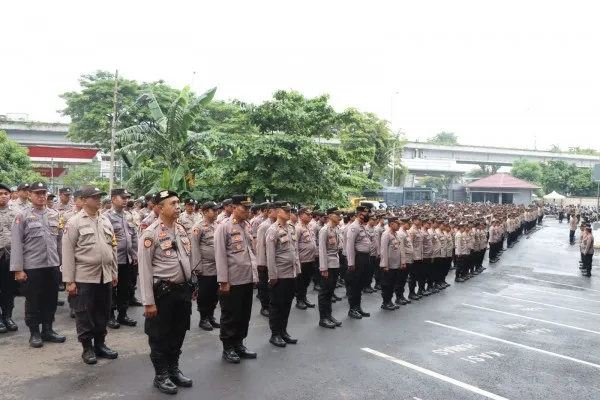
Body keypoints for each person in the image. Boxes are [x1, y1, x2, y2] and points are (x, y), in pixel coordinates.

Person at [138, 190, 194, 394]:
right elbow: (144, 270)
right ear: (160, 208)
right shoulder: (150, 233)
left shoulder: (180, 229)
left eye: (178, 202)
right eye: (173, 203)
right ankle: (161, 375)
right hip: (163, 293)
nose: (178, 206)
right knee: (159, 336)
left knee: (178, 333)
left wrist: (191, 283)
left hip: (182, 291)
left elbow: (186, 259)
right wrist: (148, 302)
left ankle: (173, 369)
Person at [62, 186, 119, 365]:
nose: (99, 199)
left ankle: (100, 344)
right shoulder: (74, 222)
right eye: (95, 197)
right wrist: (69, 281)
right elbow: (68, 252)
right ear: (84, 200)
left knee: (103, 311)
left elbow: (113, 248)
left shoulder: (106, 221)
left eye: (100, 196)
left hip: (105, 275)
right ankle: (87, 347)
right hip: (84, 276)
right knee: (84, 314)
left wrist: (114, 272)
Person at [10, 181, 65, 348]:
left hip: (52, 265)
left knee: (51, 299)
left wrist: (63, 265)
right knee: (33, 300)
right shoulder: (22, 215)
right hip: (32, 267)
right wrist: (18, 269)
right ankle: (34, 332)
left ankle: (48, 329)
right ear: (30, 195)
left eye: (44, 193)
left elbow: (60, 242)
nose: (41, 196)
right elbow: (17, 244)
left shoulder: (55, 214)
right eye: (37, 193)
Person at [214, 194, 258, 364]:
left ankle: (239, 344)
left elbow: (250, 251)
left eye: (249, 208)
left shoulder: (246, 226)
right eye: (244, 208)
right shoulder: (224, 227)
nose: (248, 211)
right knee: (231, 315)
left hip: (247, 278)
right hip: (232, 280)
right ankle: (228, 347)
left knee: (244, 314)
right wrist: (223, 281)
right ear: (234, 207)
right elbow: (220, 256)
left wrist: (254, 275)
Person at [265, 201, 300, 347]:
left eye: (290, 210)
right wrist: (272, 276)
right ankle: (275, 334)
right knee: (277, 305)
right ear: (278, 212)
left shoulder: (291, 228)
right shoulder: (272, 230)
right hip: (280, 274)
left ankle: (283, 331)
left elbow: (294, 251)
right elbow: (270, 256)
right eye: (286, 210)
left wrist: (297, 270)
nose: (289, 213)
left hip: (291, 273)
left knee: (287, 304)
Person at [104, 188, 138, 329]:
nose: (126, 200)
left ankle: (122, 315)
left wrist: (135, 254)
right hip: (114, 259)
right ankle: (110, 316)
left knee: (125, 288)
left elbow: (134, 235)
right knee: (111, 289)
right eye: (122, 197)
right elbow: (105, 239)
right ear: (113, 199)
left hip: (127, 258)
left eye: (127, 197)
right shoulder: (106, 217)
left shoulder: (129, 216)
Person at [191, 201, 221, 331]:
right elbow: (194, 248)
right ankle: (204, 318)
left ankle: (211, 316)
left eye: (216, 210)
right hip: (205, 267)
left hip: (218, 267)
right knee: (204, 294)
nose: (216, 212)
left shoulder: (218, 225)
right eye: (213, 210)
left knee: (215, 294)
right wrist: (197, 267)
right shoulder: (198, 227)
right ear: (205, 211)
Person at [317, 207, 343, 329]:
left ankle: (329, 315)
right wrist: (324, 268)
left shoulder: (335, 229)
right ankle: (323, 318)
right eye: (337, 215)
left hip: (335, 263)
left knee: (330, 292)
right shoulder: (324, 230)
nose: (339, 217)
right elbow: (322, 250)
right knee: (324, 292)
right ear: (331, 216)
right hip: (328, 265)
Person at [345, 205, 371, 319]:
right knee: (354, 284)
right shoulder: (354, 227)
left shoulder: (361, 226)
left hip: (364, 258)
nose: (368, 215)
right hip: (357, 258)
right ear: (360, 214)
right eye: (366, 214)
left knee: (360, 284)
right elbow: (350, 246)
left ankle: (358, 307)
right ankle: (352, 309)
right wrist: (351, 263)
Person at [0, 183, 17, 333]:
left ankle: (7, 316)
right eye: (0, 194)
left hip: (9, 256)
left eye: (6, 193)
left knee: (8, 289)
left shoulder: (16, 213)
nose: (3, 196)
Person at [255, 203, 277, 317]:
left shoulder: (278, 225)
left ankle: (271, 305)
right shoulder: (264, 226)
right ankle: (264, 307)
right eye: (276, 211)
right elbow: (260, 245)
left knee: (273, 286)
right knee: (264, 285)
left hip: (274, 261)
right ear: (270, 212)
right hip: (265, 261)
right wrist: (261, 263)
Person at [379, 216, 405, 311]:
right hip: (388, 265)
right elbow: (383, 250)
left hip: (395, 264)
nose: (399, 225)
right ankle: (385, 302)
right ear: (391, 224)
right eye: (397, 223)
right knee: (387, 284)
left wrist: (402, 262)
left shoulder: (396, 234)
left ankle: (389, 301)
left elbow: (399, 249)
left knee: (392, 284)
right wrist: (385, 264)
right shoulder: (386, 234)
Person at [295, 207, 317, 310]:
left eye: (310, 214)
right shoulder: (297, 228)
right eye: (307, 214)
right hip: (302, 260)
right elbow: (294, 246)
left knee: (307, 281)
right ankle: (299, 300)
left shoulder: (309, 227)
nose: (310, 216)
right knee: (300, 282)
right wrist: (297, 262)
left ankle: (304, 298)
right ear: (301, 215)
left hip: (310, 259)